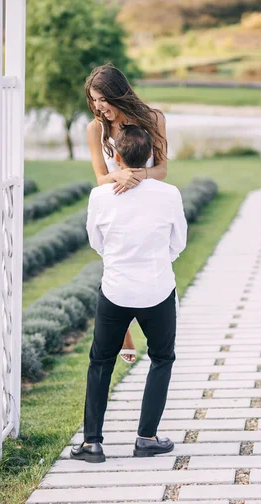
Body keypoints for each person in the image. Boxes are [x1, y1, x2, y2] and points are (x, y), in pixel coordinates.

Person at [71, 125, 187, 463]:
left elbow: (96, 241)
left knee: (100, 363)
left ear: (117, 158)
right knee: (162, 358)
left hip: (116, 290)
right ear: (149, 156)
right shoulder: (169, 194)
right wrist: (156, 261)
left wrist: (120, 260)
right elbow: (178, 242)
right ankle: (146, 438)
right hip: (158, 288)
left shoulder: (100, 196)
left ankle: (92, 444)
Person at [85, 63, 168, 364]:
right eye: (94, 100)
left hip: (145, 200)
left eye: (102, 99)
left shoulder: (154, 119)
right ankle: (123, 331)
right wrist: (118, 177)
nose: (98, 106)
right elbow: (99, 177)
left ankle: (148, 322)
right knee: (114, 266)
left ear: (117, 94)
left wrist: (136, 175)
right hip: (115, 201)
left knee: (145, 264)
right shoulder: (95, 128)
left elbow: (162, 169)